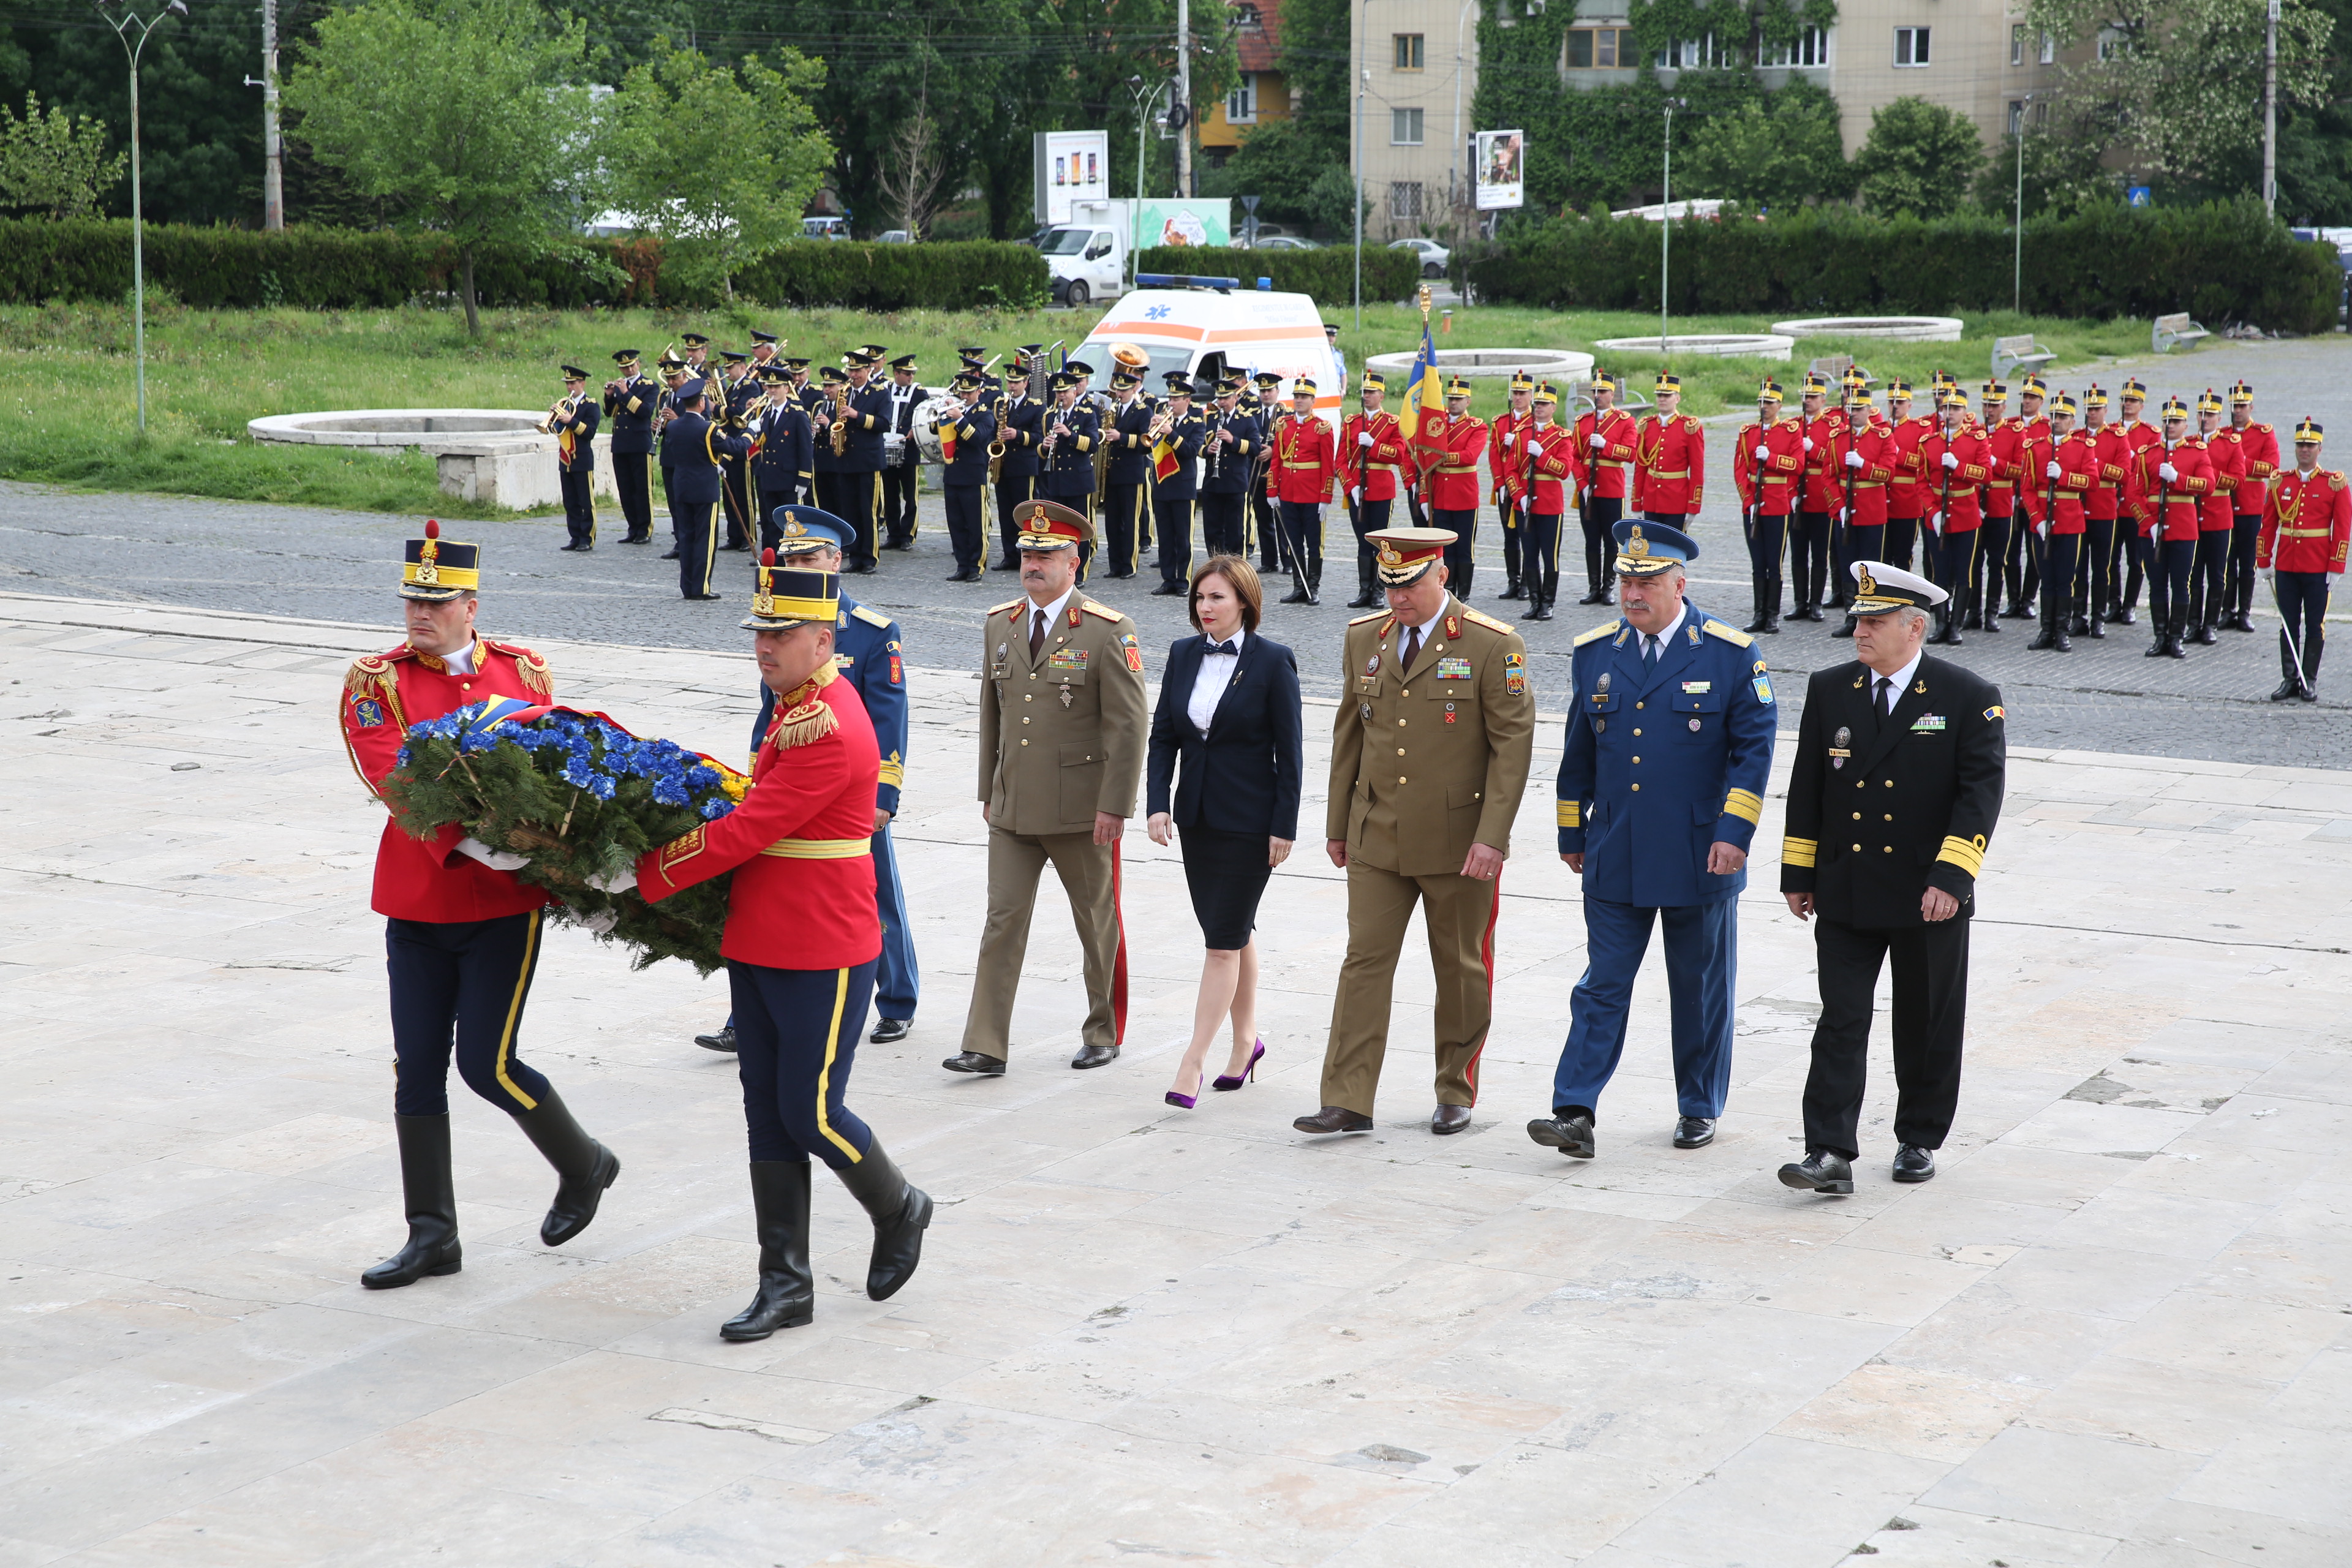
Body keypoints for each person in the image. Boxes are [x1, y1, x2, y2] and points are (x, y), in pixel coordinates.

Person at [620, 551, 931, 1340]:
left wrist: (642, 873)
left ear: (823, 641)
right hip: (762, 936)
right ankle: (785, 1282)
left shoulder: (828, 722)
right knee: (767, 1113)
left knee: (811, 1112)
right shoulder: (797, 705)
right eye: (759, 631)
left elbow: (755, 827)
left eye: (781, 634)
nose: (763, 646)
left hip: (823, 943)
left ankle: (899, 1206)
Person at [341, 522, 617, 1289]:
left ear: (471, 603)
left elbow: (552, 770)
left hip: (503, 906)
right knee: (418, 1070)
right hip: (422, 898)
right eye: (412, 601)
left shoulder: (523, 671)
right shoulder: (379, 682)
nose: (419, 614)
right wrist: (477, 840)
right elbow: (397, 781)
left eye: (437, 601)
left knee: (487, 1064)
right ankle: (432, 1234)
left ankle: (584, 1161)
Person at [1530, 521, 1774, 1163]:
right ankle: (1574, 1109)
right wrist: (1570, 828)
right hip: (1616, 847)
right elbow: (1578, 750)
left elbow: (1754, 754)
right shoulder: (1596, 652)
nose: (1633, 594)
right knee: (1602, 984)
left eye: (1647, 582)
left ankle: (1698, 1104)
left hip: (1700, 852)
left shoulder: (1728, 652)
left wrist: (1735, 833)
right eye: (1625, 581)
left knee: (1698, 988)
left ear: (1680, 584)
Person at [1297, 526, 1536, 1137]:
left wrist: (1493, 836)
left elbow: (1512, 747)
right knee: (1364, 963)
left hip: (1458, 841)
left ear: (1442, 576)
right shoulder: (1364, 639)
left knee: (1458, 966)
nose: (1398, 598)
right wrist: (1336, 825)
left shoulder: (1491, 645)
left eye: (1410, 585)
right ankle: (1347, 1097)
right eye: (1389, 585)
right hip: (1377, 832)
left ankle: (1455, 1088)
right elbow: (1349, 734)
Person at [1778, 562, 2006, 1194]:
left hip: (1925, 893)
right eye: (1858, 621)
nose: (1860, 632)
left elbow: (1980, 796)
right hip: (1848, 886)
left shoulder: (1967, 695)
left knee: (1925, 1019)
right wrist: (1799, 872)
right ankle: (1828, 1150)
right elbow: (1808, 789)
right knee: (1840, 1020)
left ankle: (1918, 1136)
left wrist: (1952, 879)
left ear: (1915, 626)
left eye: (1875, 622)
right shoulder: (1830, 689)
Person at [698, 506, 918, 1051]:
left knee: (877, 894)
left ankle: (896, 999)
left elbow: (888, 715)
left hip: (851, 790)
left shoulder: (870, 630)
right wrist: (755, 773)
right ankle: (743, 1012)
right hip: (791, 779)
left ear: (836, 561)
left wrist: (885, 794)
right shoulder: (781, 620)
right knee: (765, 890)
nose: (797, 565)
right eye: (791, 557)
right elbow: (770, 709)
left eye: (809, 557)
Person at [947, 501, 1149, 1077]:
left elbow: (1129, 726)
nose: (1032, 564)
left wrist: (1115, 806)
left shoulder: (1110, 631)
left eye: (1045, 555)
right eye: (1027, 555)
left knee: (1095, 922)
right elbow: (994, 712)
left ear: (1074, 561)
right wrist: (989, 787)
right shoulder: (1000, 623)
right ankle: (985, 1043)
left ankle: (1104, 1029)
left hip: (1081, 810)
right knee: (1001, 921)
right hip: (1013, 805)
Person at [1146, 557, 1303, 1107]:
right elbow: (1164, 734)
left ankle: (1192, 1060)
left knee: (1219, 945)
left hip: (1252, 825)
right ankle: (1246, 1042)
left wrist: (1284, 826)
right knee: (1233, 929)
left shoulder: (1274, 662)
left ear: (1244, 602)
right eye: (1199, 599)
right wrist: (1157, 804)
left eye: (1216, 598)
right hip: (1197, 820)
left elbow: (1292, 753)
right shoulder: (1183, 653)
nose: (1205, 608)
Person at [2258, 417, 2348, 701]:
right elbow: (2268, 524)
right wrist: (2263, 559)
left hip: (2317, 566)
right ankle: (2289, 678)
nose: (2304, 450)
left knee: (2314, 625)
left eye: (2310, 445)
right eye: (2300, 445)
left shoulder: (2334, 484)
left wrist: (2336, 566)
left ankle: (2309, 678)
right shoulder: (2280, 482)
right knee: (2288, 623)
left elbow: (2343, 528)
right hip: (2287, 564)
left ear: (2319, 448)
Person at [2132, 395, 2215, 660]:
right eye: (2167, 421)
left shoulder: (2197, 452)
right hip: (2153, 529)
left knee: (2180, 583)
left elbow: (2209, 486)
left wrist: (2179, 478)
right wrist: (2148, 522)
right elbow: (2134, 494)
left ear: (2186, 425)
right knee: (2156, 584)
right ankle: (2160, 636)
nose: (2171, 426)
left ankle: (2176, 637)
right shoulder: (2148, 454)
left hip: (2182, 528)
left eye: (2177, 421)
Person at [663, 377, 753, 602]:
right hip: (704, 489)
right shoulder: (709, 428)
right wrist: (750, 432)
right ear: (702, 403)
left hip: (682, 487)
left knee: (686, 537)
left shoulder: (673, 426)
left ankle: (687, 586)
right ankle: (701, 587)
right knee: (705, 539)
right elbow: (737, 448)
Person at [2023, 393, 2096, 652]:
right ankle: (2046, 630)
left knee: (2065, 579)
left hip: (2069, 523)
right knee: (2047, 578)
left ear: (2072, 422)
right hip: (2042, 523)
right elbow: (2028, 489)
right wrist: (2037, 519)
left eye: (2063, 417)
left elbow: (2092, 481)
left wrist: (2064, 476)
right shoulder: (2035, 447)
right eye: (2054, 416)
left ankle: (2062, 631)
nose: (2057, 421)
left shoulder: (2083, 447)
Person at [1920, 388, 1991, 644]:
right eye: (1945, 409)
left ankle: (1956, 626)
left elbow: (1986, 475)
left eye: (1955, 409)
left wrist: (1959, 467)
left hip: (1965, 513)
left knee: (1964, 572)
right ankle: (1941, 624)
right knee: (1939, 572)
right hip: (1937, 514)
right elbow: (1921, 482)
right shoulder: (1928, 443)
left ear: (1965, 412)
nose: (1949, 414)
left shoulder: (1976, 440)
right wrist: (1933, 510)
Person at [1733, 379, 1803, 635]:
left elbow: (1797, 465)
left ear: (1780, 405)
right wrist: (1748, 500)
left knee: (1774, 562)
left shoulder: (1790, 431)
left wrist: (1771, 459)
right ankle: (1758, 612)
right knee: (1757, 562)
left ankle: (1772, 613)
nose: (1764, 407)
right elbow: (1740, 469)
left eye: (1769, 403)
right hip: (1754, 504)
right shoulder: (1748, 432)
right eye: (1761, 402)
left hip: (1776, 503)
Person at [1340, 372, 1409, 609]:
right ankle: (1364, 590)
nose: (1366, 396)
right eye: (1364, 393)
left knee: (1379, 543)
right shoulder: (1351, 422)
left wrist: (1374, 445)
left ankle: (1379, 591)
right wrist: (1351, 486)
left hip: (1381, 489)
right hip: (1357, 490)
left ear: (1382, 395)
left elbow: (1399, 455)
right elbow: (1340, 461)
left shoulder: (1392, 422)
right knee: (1362, 541)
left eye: (1371, 393)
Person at [1831, 385, 1894, 640]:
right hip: (1845, 509)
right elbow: (1828, 475)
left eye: (1859, 409)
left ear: (1869, 410)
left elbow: (1888, 472)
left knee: (1869, 567)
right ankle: (1852, 617)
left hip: (1871, 509)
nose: (1854, 413)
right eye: (1851, 408)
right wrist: (1838, 504)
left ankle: (1872, 616)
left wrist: (1864, 465)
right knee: (1848, 564)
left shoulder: (1883, 436)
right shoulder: (1838, 437)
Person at [1419, 377, 1488, 595]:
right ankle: (1446, 589)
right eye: (1451, 398)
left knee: (1464, 548)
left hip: (1464, 494)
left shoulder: (1477, 426)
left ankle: (1464, 592)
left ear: (1468, 401)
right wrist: (1424, 495)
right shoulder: (1436, 424)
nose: (1453, 403)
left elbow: (1469, 457)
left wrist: (1440, 456)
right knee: (1444, 547)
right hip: (1440, 493)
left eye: (1458, 399)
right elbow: (1425, 459)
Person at [1270, 376, 1336, 604]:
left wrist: (1325, 497)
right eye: (1297, 397)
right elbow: (1277, 460)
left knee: (1314, 544)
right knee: (1293, 542)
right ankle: (1299, 586)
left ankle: (1313, 587)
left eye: (1304, 397)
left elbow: (1328, 466)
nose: (1299, 401)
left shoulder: (1322, 428)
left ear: (1313, 401)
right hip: (1289, 494)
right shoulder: (1284, 424)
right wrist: (1272, 491)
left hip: (1312, 496)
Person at [2222, 380, 2281, 633]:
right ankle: (2226, 610)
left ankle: (2244, 611)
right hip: (2224, 503)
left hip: (2251, 505)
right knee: (2226, 560)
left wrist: (2240, 463)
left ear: (2251, 406)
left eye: (2242, 406)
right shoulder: (2221, 434)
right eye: (2234, 406)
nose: (2237, 410)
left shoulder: (2263, 433)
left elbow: (2272, 469)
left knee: (2247, 561)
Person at [1518, 382, 1580, 622]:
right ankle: (1534, 601)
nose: (1539, 408)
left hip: (1550, 505)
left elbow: (1564, 470)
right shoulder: (1524, 433)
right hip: (1526, 503)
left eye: (1544, 404)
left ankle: (1548, 603)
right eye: (1537, 404)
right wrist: (1519, 496)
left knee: (1549, 556)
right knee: (1529, 555)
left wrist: (1542, 454)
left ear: (1554, 407)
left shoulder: (1562, 436)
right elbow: (1511, 469)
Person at [1575, 372, 1638, 605]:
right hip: (1588, 491)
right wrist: (1582, 484)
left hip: (1612, 488)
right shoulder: (1582, 422)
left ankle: (1609, 587)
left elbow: (1631, 453)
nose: (1598, 396)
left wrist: (1607, 446)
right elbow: (1574, 457)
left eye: (1602, 392)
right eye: (1595, 392)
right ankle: (1593, 587)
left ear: (1612, 394)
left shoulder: (1625, 421)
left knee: (1611, 541)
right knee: (1591, 540)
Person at [2190, 389, 2244, 645]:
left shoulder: (2230, 443)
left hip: (2219, 516)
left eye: (2210, 414)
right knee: (2193, 574)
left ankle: (2210, 623)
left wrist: (2210, 476)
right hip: (2191, 515)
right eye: (2201, 414)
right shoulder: (2189, 443)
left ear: (2219, 417)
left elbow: (2239, 480)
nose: (2205, 419)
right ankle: (2192, 622)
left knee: (2216, 574)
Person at [2073, 384, 2125, 641]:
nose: (2092, 413)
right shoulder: (2076, 437)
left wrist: (2097, 465)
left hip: (2104, 509)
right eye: (2089, 409)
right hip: (2078, 510)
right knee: (2079, 567)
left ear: (2106, 410)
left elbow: (2124, 474)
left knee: (2101, 567)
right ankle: (2079, 616)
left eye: (2097, 409)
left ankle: (2098, 617)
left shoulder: (2117, 437)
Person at [935, 371, 997, 582]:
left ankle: (976, 566)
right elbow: (938, 431)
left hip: (973, 476)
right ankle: (962, 565)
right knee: (956, 524)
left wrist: (960, 418)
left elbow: (978, 439)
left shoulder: (985, 413)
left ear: (979, 392)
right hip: (953, 475)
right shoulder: (954, 411)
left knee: (975, 524)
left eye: (969, 392)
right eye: (962, 391)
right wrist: (943, 413)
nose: (964, 395)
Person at [2106, 379, 2160, 624]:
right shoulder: (2110, 431)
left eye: (2133, 401)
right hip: (2110, 504)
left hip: (2134, 507)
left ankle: (2130, 605)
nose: (2127, 405)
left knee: (2135, 559)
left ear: (2141, 405)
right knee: (2111, 559)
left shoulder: (2150, 434)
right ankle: (2113, 602)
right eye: (2125, 401)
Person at [1039, 371, 1102, 576]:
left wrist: (1069, 434)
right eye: (1058, 392)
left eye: (1065, 391)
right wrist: (1045, 446)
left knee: (1079, 528)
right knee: (1058, 528)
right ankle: (1059, 570)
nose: (1061, 396)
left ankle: (1079, 572)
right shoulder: (1049, 417)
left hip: (1078, 481)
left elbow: (1093, 445)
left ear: (1074, 391)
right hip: (1056, 481)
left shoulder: (1086, 414)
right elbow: (1040, 453)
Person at [1150, 369, 1207, 597]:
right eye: (1170, 398)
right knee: (1165, 536)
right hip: (1162, 485)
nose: (1171, 403)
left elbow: (1191, 451)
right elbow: (1150, 449)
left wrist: (1171, 433)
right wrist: (1154, 432)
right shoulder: (1162, 419)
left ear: (1187, 400)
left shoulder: (1196, 423)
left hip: (1183, 487)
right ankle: (1168, 579)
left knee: (1183, 537)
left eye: (1176, 399)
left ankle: (1183, 580)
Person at [835, 351, 893, 573]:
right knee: (850, 511)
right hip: (847, 460)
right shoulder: (845, 392)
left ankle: (869, 558)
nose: (854, 375)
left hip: (868, 461)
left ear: (868, 371)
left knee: (867, 511)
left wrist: (856, 415)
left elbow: (884, 423)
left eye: (858, 371)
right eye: (851, 370)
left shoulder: (880, 393)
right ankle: (856, 557)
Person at [1970, 382, 2018, 635]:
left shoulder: (2014, 433)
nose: (1989, 410)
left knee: (1997, 562)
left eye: (1994, 405)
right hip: (1975, 505)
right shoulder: (1974, 432)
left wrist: (1996, 463)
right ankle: (1974, 611)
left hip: (2000, 505)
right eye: (1986, 405)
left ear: (2004, 407)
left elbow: (2020, 470)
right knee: (1974, 562)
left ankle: (1992, 613)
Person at [750, 364, 815, 551]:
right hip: (769, 477)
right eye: (770, 387)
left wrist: (804, 479)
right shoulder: (765, 414)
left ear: (787, 389)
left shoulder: (797, 414)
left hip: (789, 478)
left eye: (777, 387)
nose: (773, 391)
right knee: (771, 522)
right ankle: (772, 557)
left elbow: (805, 448)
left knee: (791, 523)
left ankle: (792, 557)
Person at [1101, 367, 1157, 579]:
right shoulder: (1111, 409)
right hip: (1112, 472)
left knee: (1130, 521)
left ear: (1133, 389)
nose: (1119, 393)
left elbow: (1145, 443)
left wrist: (1120, 437)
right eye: (1118, 389)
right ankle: (1115, 564)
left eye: (1124, 390)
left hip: (1132, 473)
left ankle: (1129, 565)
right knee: (1112, 521)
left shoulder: (1143, 411)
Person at [1632, 372, 1704, 534]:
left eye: (1667, 395)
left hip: (1677, 501)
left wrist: (1693, 506)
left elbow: (1697, 470)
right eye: (1659, 395)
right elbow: (1641, 467)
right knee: (1650, 552)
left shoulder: (1689, 427)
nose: (1662, 399)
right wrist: (1636, 504)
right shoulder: (1647, 425)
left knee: (1673, 553)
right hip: (1651, 499)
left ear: (1677, 398)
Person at [993, 355, 1045, 570]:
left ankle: (1030, 555)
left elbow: (1038, 438)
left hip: (1024, 468)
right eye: (1010, 382)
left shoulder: (1035, 406)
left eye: (1016, 382)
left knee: (1025, 514)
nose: (1012, 386)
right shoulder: (1000, 404)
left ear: (1026, 383)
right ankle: (1010, 556)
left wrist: (1017, 434)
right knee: (1005, 514)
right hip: (1003, 467)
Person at [1198, 375, 1257, 559]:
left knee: (1235, 530)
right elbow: (1198, 446)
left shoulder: (1246, 419)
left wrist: (1234, 441)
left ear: (1235, 398)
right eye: (1220, 398)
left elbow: (1255, 448)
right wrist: (1208, 450)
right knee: (1213, 529)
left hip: (1235, 483)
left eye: (1226, 398)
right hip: (1213, 483)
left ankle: (1236, 569)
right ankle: (1214, 563)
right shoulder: (1210, 418)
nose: (1222, 402)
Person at [1489, 373, 1537, 601]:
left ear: (1531, 396)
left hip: (1526, 487)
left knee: (1526, 534)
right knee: (1510, 536)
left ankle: (1527, 583)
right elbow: (1494, 456)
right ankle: (1513, 581)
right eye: (1515, 393)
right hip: (1506, 489)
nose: (1517, 398)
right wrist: (1500, 483)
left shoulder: (1534, 424)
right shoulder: (1500, 422)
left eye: (1522, 393)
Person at [603, 350, 658, 545]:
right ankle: (633, 527)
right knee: (625, 489)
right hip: (621, 444)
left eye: (630, 366)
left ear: (638, 365)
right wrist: (609, 396)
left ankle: (645, 529)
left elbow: (645, 412)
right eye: (623, 367)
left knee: (642, 488)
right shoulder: (619, 386)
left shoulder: (650, 386)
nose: (627, 370)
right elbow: (609, 413)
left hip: (640, 444)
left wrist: (625, 392)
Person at [880, 354, 929, 551]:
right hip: (887, 448)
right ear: (896, 374)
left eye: (912, 373)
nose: (910, 377)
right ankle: (893, 534)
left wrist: (914, 430)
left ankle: (908, 535)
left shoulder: (919, 392)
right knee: (890, 495)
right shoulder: (885, 390)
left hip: (908, 450)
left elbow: (926, 415)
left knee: (910, 495)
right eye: (907, 373)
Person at [551, 364, 600, 552]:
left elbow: (590, 432)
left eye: (573, 384)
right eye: (568, 384)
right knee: (570, 501)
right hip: (565, 459)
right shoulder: (564, 405)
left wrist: (571, 421)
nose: (570, 388)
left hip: (582, 458)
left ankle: (587, 538)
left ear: (582, 384)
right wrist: (554, 417)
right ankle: (575, 536)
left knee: (585, 502)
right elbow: (557, 430)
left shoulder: (591, 405)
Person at [1883, 379, 1929, 573]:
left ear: (1909, 405)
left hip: (1906, 501)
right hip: (1881, 501)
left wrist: (1897, 453)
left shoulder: (1920, 429)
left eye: (1901, 402)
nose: (1896, 406)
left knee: (1903, 556)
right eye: (1892, 402)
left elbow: (1924, 463)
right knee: (1882, 557)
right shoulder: (1880, 428)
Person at [717, 349, 758, 552]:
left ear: (742, 367)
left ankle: (747, 536)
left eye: (731, 367)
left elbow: (740, 411)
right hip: (727, 446)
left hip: (742, 448)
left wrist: (716, 409)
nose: (728, 371)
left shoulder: (750, 386)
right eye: (726, 368)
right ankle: (734, 536)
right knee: (729, 495)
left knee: (744, 496)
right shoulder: (729, 389)